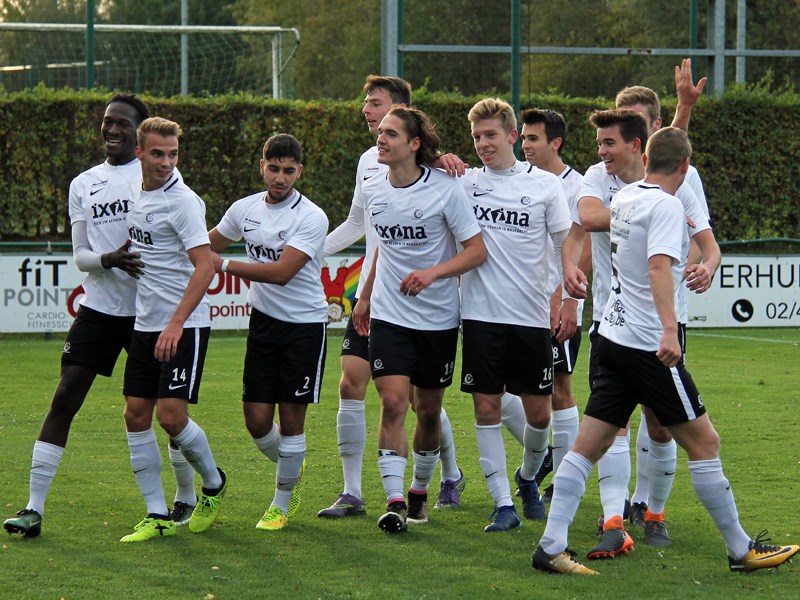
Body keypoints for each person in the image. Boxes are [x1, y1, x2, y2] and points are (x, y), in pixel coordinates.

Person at [532, 126, 799, 575]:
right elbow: (658, 269)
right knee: (705, 441)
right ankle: (741, 550)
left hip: (611, 338)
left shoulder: (624, 198)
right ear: (685, 167)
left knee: (587, 445)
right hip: (644, 345)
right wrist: (669, 332)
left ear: (646, 157)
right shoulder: (669, 205)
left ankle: (551, 546)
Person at [3, 94, 193, 538]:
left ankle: (184, 495)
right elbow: (80, 256)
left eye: (123, 124)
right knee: (65, 397)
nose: (112, 129)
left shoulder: (161, 176)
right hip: (100, 309)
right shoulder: (83, 183)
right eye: (108, 122)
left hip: (149, 313)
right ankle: (32, 508)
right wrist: (108, 259)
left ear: (142, 135)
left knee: (167, 413)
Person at [561, 108, 718, 558]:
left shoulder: (680, 186)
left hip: (661, 325)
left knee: (660, 425)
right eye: (599, 144)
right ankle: (613, 518)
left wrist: (705, 263)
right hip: (612, 324)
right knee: (613, 426)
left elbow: (705, 242)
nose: (601, 152)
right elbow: (584, 222)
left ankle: (653, 513)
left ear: (638, 146)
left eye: (609, 143)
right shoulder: (606, 181)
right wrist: (571, 268)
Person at [319, 75, 467, 518]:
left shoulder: (439, 170)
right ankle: (357, 493)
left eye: (377, 105)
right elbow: (359, 226)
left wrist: (455, 162)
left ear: (400, 111)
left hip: (430, 306)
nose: (367, 111)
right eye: (366, 104)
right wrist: (308, 252)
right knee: (363, 387)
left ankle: (448, 473)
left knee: (426, 404)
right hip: (379, 297)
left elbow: (462, 222)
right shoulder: (369, 165)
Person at [353, 106, 487, 533]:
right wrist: (365, 295)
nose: (381, 138)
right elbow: (381, 250)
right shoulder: (373, 187)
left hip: (438, 320)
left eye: (392, 134)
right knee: (392, 403)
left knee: (428, 412)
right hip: (390, 316)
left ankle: (418, 492)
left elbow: (475, 250)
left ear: (414, 144)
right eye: (381, 132)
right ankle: (393, 502)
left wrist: (432, 274)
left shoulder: (446, 189)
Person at [458, 99, 571, 532]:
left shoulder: (545, 185)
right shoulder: (464, 182)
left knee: (540, 416)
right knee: (486, 407)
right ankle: (502, 503)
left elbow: (565, 245)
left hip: (530, 317)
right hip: (481, 316)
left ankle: (526, 477)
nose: (483, 144)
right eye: (475, 137)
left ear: (510, 136)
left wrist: (566, 299)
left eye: (490, 135)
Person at [208, 134, 328, 531]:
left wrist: (222, 266)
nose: (280, 178)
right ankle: (293, 464)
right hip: (263, 325)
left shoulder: (311, 216)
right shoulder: (244, 209)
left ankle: (281, 503)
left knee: (291, 419)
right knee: (257, 421)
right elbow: (207, 244)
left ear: (300, 172)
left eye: (289, 170)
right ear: (262, 166)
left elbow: (281, 273)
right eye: (274, 169)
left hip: (304, 328)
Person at [120, 117, 226, 542]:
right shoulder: (133, 192)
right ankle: (156, 513)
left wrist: (176, 323)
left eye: (173, 154)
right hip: (145, 324)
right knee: (135, 415)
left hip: (183, 326)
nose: (165, 162)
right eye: (158, 153)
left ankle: (213, 483)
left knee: (170, 416)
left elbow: (205, 267)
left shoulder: (183, 201)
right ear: (139, 153)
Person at [516, 107, 590, 503]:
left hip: (553, 305)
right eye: (523, 138)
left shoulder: (576, 186)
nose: (525, 145)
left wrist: (565, 298)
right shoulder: (518, 180)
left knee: (560, 389)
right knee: (508, 390)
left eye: (533, 139)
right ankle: (540, 460)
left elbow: (584, 248)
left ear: (555, 143)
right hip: (514, 305)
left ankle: (561, 483)